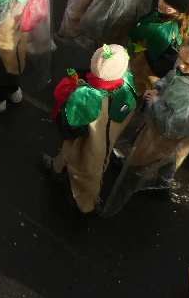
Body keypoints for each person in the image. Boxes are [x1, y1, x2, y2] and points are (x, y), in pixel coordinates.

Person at [102, 37, 189, 215]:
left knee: (154, 153)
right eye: (180, 58)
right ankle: (162, 181)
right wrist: (159, 88)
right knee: (170, 155)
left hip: (172, 128)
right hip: (171, 118)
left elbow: (170, 128)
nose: (180, 65)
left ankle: (132, 177)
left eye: (187, 63)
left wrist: (156, 103)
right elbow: (172, 78)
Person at [48, 45, 136, 215]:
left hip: (88, 139)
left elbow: (69, 124)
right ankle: (58, 168)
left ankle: (85, 204)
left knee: (85, 167)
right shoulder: (127, 85)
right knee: (95, 163)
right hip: (107, 137)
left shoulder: (86, 95)